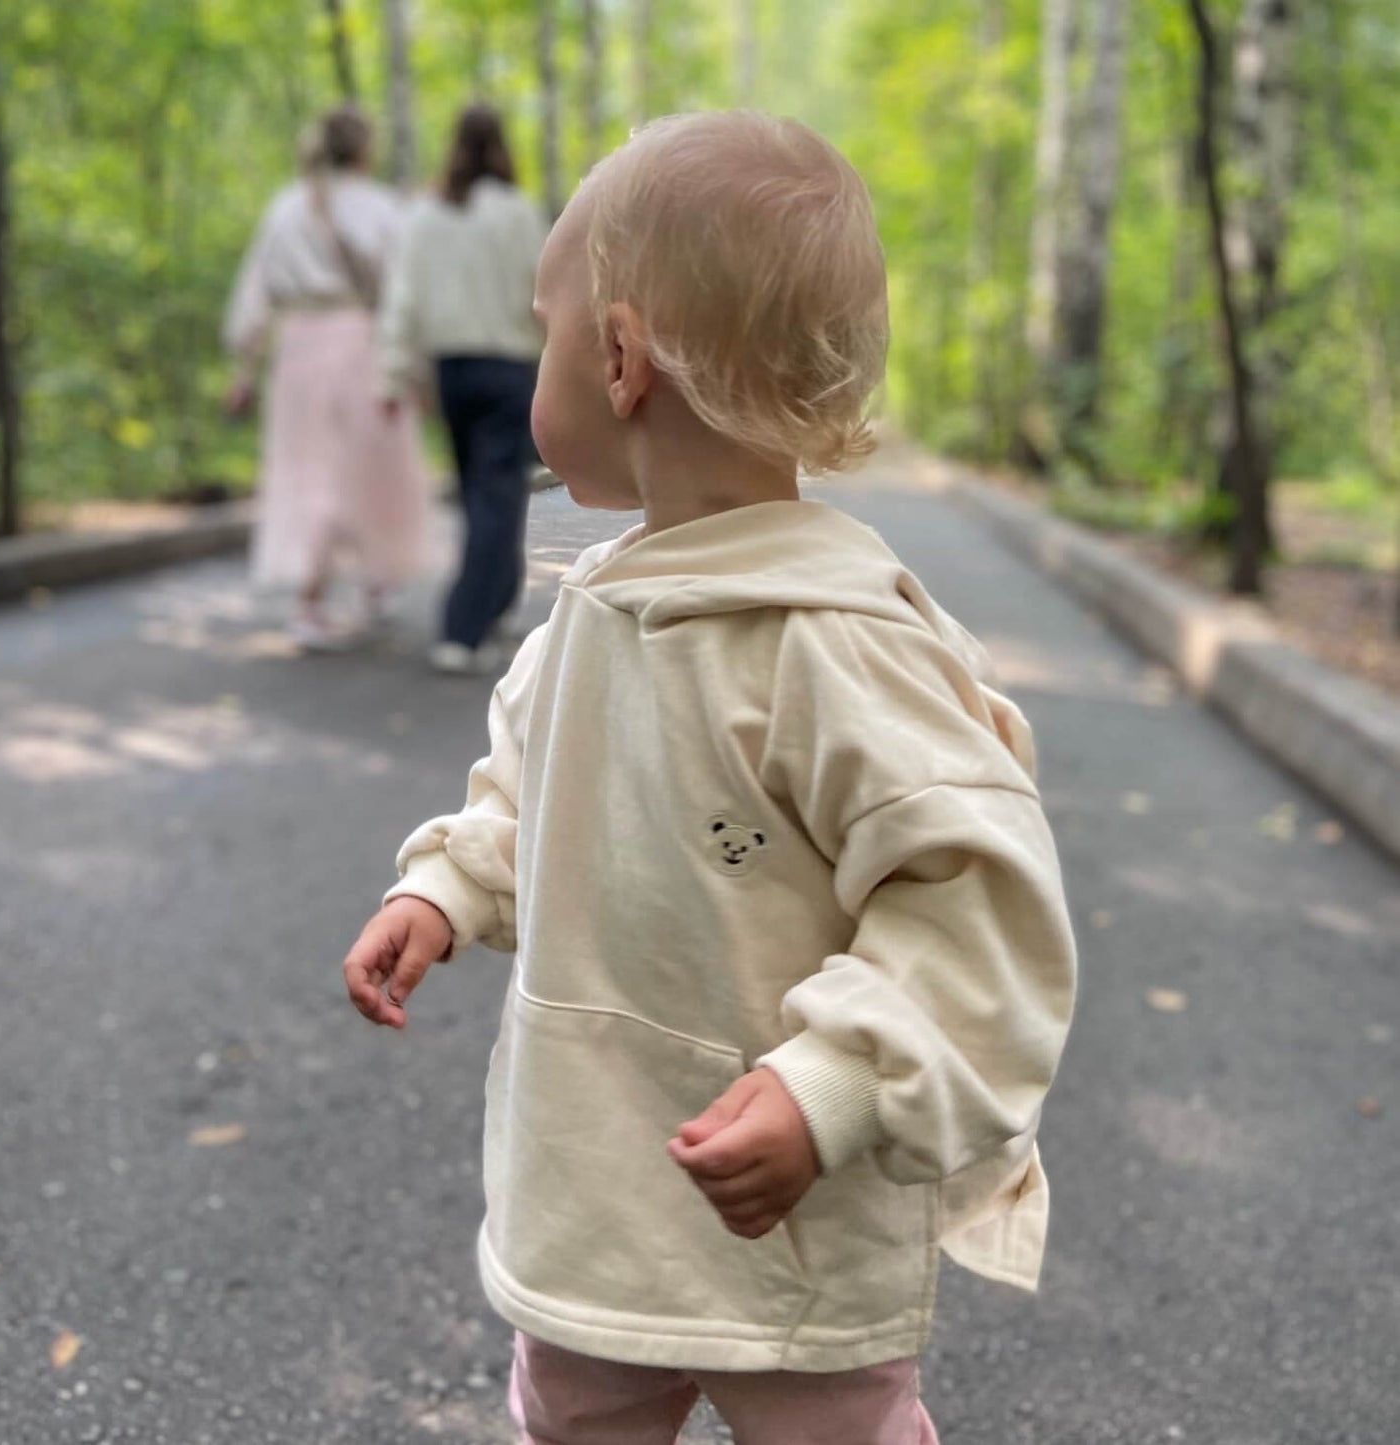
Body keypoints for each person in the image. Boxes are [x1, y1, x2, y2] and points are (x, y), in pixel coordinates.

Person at [343, 112, 1077, 1444]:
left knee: (827, 1425)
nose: (531, 362)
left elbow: (973, 905)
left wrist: (835, 1083)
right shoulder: (596, 606)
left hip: (786, 1204)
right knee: (573, 1409)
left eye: (543, 329)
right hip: (595, 1188)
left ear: (618, 358)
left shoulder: (837, 642)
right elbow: (529, 782)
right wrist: (448, 883)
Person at [223, 106, 427, 651]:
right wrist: (410, 364)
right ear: (364, 149)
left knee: (308, 469)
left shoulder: (286, 206)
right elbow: (403, 293)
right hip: (361, 344)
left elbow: (255, 292)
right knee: (375, 465)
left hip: (298, 350)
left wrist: (244, 365)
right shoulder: (383, 207)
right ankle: (369, 580)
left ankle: (313, 599)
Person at [378, 104, 547, 674]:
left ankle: (494, 607)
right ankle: (462, 629)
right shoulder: (518, 213)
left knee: (482, 497)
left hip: (452, 373)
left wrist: (395, 373)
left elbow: (402, 298)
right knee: (498, 496)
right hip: (508, 368)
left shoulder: (426, 216)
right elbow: (543, 291)